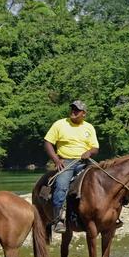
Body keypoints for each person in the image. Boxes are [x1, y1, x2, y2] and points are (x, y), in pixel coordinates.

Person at [44, 100, 100, 233]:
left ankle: (108, 214)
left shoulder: (89, 127)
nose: (73, 112)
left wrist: (89, 152)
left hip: (85, 161)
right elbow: (47, 142)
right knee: (62, 185)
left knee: (106, 178)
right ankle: (58, 220)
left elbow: (95, 148)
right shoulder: (60, 124)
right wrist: (56, 160)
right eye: (72, 109)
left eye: (77, 110)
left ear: (84, 114)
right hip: (66, 162)